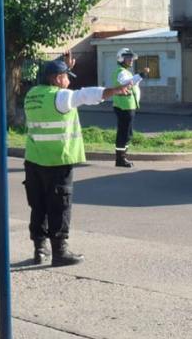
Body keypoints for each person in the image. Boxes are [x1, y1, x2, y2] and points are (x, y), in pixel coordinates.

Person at [23, 54, 128, 266]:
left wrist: (65, 67)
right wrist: (114, 90)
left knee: (39, 206)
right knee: (59, 206)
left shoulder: (32, 94)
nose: (69, 81)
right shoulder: (60, 98)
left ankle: (40, 250)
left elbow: (67, 95)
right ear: (55, 79)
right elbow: (84, 95)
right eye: (66, 77)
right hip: (58, 161)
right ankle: (60, 253)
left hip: (34, 160)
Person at [110, 47, 149, 168]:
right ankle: (120, 159)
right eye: (128, 58)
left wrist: (139, 77)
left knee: (127, 133)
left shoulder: (126, 71)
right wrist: (141, 75)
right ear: (121, 58)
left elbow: (133, 83)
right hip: (124, 106)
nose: (131, 60)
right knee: (124, 133)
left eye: (132, 58)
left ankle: (123, 157)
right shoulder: (121, 72)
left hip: (128, 106)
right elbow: (126, 83)